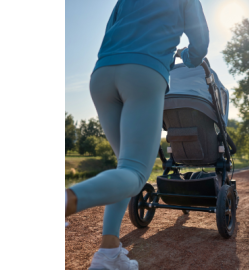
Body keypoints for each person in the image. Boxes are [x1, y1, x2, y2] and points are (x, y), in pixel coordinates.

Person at [65, 1, 209, 269]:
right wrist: (188, 57)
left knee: (124, 168)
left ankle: (108, 252)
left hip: (102, 74)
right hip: (143, 74)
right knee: (134, 174)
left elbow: (110, 31)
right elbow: (200, 43)